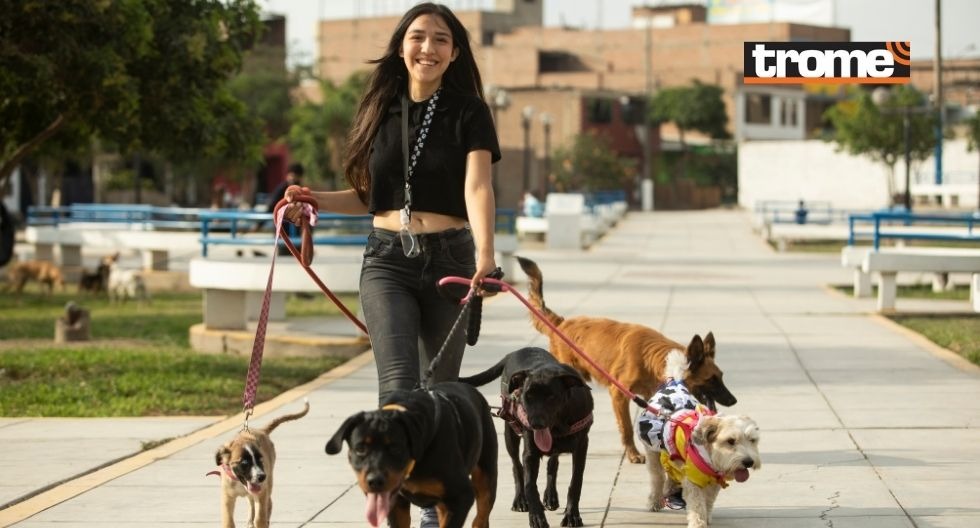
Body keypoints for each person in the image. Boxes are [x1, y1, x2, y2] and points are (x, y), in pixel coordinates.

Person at [284, 7, 499, 524]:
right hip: (386, 262)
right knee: (398, 386)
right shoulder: (381, 109)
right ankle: (397, 497)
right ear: (402, 45)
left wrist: (487, 255)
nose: (428, 47)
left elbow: (476, 188)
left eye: (441, 39)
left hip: (450, 257)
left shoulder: (469, 111)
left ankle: (438, 498)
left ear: (455, 51)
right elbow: (371, 197)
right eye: (418, 37)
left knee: (439, 388)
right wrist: (312, 201)